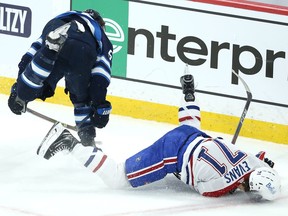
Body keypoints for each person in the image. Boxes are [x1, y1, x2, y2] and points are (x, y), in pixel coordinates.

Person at [37, 65, 281, 201]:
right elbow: (204, 189)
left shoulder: (252, 160)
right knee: (119, 179)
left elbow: (259, 159)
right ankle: (69, 142)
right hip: (172, 152)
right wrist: (235, 185)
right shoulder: (222, 186)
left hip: (192, 135)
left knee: (193, 129)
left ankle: (189, 95)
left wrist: (259, 162)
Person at [8, 9, 113, 147]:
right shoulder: (101, 36)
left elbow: (27, 57)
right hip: (83, 46)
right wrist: (100, 105)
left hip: (56, 26)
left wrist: (19, 88)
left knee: (32, 87)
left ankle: (50, 50)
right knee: (81, 98)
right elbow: (100, 77)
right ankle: (87, 139)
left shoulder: (67, 16)